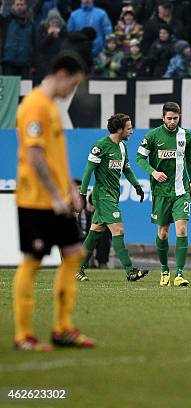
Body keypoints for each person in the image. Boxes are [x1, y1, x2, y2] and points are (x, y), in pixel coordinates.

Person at [13, 51, 95, 351]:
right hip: (36, 201)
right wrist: (53, 196)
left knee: (73, 254)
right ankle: (23, 335)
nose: (71, 91)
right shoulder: (35, 105)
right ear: (61, 74)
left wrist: (72, 191)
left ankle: (63, 329)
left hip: (57, 199)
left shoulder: (51, 107)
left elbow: (55, 155)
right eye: (72, 84)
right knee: (33, 261)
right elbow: (34, 156)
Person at [78, 113, 148, 282]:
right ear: (119, 129)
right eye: (129, 128)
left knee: (95, 232)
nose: (132, 131)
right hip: (102, 196)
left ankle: (76, 269)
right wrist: (81, 194)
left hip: (113, 196)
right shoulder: (101, 146)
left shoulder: (122, 147)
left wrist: (137, 186)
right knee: (118, 230)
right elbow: (88, 171)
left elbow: (127, 169)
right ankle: (130, 271)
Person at [136, 102, 191, 287]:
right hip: (161, 192)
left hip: (181, 190)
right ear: (162, 118)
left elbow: (190, 158)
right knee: (163, 233)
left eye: (175, 118)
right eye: (169, 118)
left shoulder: (185, 135)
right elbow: (139, 158)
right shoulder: (152, 136)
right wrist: (153, 172)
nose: (172, 121)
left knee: (182, 229)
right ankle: (164, 270)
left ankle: (179, 274)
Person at [0, 0, 35, 77]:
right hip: (8, 62)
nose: (19, 7)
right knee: (9, 88)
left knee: (24, 88)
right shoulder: (7, 19)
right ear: (13, 6)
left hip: (24, 64)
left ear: (26, 6)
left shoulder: (31, 23)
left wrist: (33, 63)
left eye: (22, 5)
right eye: (17, 4)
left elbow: (34, 44)